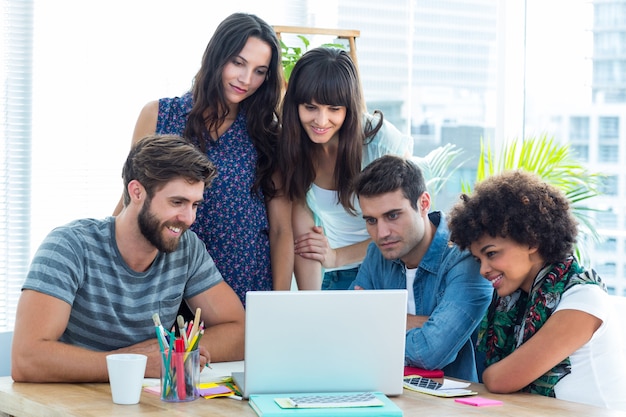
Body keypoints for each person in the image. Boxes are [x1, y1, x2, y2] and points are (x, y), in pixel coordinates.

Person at [11, 135, 245, 383]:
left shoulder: (186, 249)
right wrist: (134, 362)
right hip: (70, 401)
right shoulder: (69, 246)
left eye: (195, 205)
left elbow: (240, 332)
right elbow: (26, 359)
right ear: (137, 192)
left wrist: (170, 351)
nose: (188, 218)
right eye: (177, 202)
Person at [113, 13, 293, 305]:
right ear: (216, 56)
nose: (247, 80)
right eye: (238, 62)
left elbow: (282, 229)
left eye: (260, 71)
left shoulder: (269, 135)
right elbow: (130, 200)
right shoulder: (158, 116)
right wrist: (102, 261)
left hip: (244, 283)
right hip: (164, 281)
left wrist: (279, 305)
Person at [447, 170, 626, 410]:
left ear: (531, 240)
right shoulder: (515, 303)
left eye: (491, 254)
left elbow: (499, 379)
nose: (484, 270)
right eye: (479, 260)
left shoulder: (583, 299)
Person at [278, 46, 413, 290]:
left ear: (348, 108)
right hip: (339, 275)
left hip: (394, 269)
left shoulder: (380, 143)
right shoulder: (292, 150)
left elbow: (409, 229)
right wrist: (311, 307)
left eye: (334, 109)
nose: (321, 121)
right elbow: (307, 243)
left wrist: (338, 256)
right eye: (310, 107)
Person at [349, 155, 492, 381]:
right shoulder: (377, 253)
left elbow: (431, 353)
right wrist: (420, 323)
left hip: (450, 405)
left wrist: (377, 323)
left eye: (392, 215)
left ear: (424, 203)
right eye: (371, 220)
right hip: (382, 391)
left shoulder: (465, 257)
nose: (382, 233)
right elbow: (345, 330)